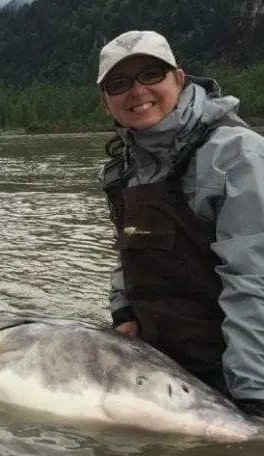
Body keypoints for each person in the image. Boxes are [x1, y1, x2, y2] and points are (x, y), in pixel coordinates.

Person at [97, 30, 264, 417]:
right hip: (167, 367)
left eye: (151, 75)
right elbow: (127, 254)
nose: (137, 91)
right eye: (119, 84)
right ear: (106, 102)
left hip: (240, 369)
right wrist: (124, 313)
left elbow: (254, 281)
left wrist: (252, 398)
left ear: (180, 78)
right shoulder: (120, 171)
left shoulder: (238, 155)